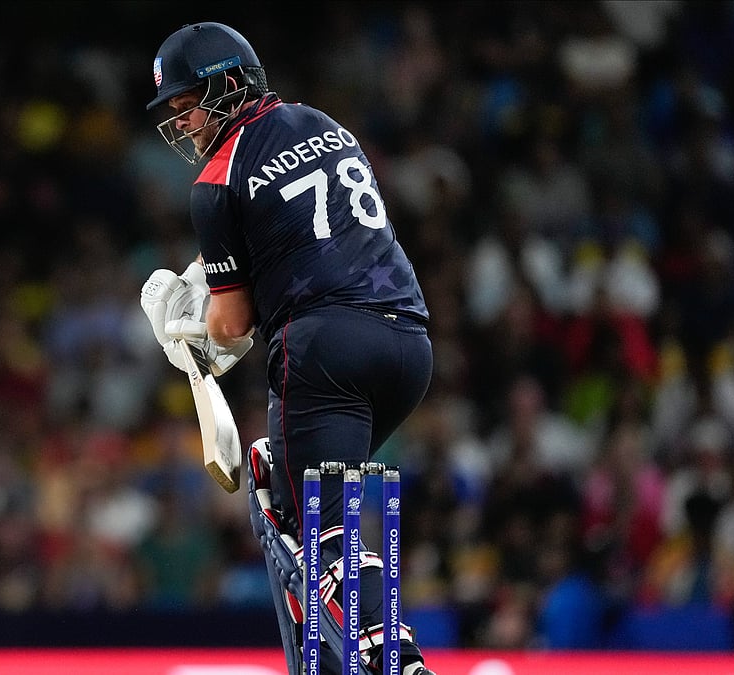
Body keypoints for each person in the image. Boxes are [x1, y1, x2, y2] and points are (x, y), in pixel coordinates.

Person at [138, 22, 434, 675]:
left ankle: (398, 661)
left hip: (324, 349)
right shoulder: (323, 123)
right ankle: (348, 655)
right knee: (295, 496)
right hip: (409, 343)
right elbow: (299, 226)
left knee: (321, 534)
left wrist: (186, 331)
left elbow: (233, 324)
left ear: (228, 83)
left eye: (188, 104)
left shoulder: (215, 182)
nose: (183, 124)